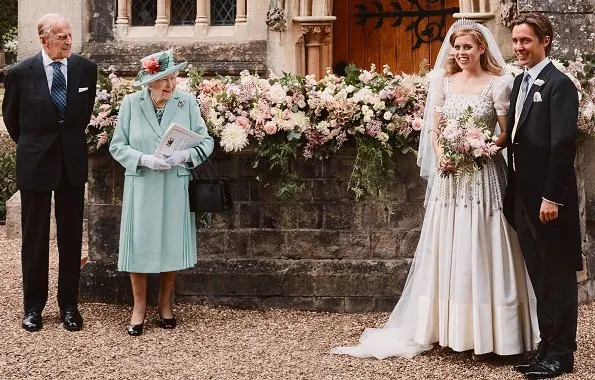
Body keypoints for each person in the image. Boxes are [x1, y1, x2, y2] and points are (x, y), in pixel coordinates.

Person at [332, 19, 538, 359]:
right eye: (456, 47)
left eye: (467, 47)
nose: (460, 53)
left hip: (482, 175)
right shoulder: (443, 80)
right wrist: (444, 154)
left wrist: (479, 148)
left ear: (481, 48)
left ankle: (495, 333)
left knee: (484, 243)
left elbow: (506, 132)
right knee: (450, 243)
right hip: (449, 178)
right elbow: (434, 129)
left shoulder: (499, 84)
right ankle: (448, 328)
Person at [2, 14, 97, 332]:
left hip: (72, 164)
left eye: (70, 35)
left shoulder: (86, 69)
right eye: (61, 36)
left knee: (71, 239)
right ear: (44, 40)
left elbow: (82, 116)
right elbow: (12, 120)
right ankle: (33, 309)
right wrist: (36, 147)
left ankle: (69, 306)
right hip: (35, 162)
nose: (69, 41)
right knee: (35, 238)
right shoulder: (19, 73)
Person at [109, 49, 214, 336]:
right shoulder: (131, 104)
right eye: (163, 79)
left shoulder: (186, 102)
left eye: (173, 77)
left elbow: (206, 143)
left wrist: (184, 156)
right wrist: (143, 159)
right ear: (149, 81)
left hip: (174, 181)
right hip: (142, 182)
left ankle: (165, 304)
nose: (170, 84)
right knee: (139, 244)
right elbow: (117, 146)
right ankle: (139, 307)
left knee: (170, 242)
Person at [503, 13, 581, 379]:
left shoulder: (559, 84)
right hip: (522, 195)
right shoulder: (520, 82)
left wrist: (553, 197)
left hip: (549, 202)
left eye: (526, 41)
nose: (519, 47)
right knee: (539, 276)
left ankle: (562, 354)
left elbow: (563, 144)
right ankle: (545, 347)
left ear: (545, 40)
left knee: (558, 276)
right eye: (516, 41)